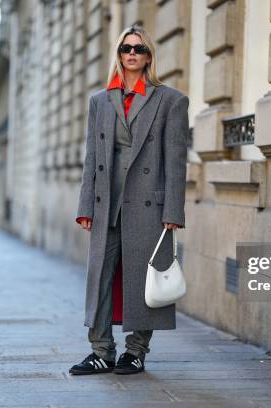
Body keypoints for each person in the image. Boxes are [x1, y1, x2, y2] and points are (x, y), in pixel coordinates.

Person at [70, 25, 189, 376]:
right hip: (107, 203)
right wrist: (85, 206)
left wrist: (173, 210)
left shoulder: (170, 100)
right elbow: (91, 157)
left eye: (139, 48)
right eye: (126, 48)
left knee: (141, 278)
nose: (132, 53)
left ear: (149, 56)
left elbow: (176, 160)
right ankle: (101, 351)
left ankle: (136, 351)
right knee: (100, 276)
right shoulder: (100, 101)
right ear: (119, 54)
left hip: (148, 205)